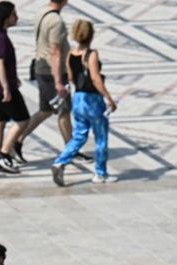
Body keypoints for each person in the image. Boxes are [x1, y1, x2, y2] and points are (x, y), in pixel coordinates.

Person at [50, 20, 119, 186]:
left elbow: (71, 77)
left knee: (79, 135)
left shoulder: (71, 54)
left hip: (78, 98)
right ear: (91, 35)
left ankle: (60, 161)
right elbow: (95, 78)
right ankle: (100, 173)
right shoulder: (91, 54)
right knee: (101, 137)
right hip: (92, 100)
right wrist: (108, 98)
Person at [17, 0, 72, 158]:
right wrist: (58, 82)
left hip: (42, 68)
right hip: (52, 72)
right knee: (64, 111)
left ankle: (17, 141)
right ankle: (71, 149)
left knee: (45, 110)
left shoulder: (42, 11)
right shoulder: (56, 21)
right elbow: (55, 51)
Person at [0, 2, 28, 174]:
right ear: (6, 17)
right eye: (13, 14)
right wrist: (6, 87)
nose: (16, 18)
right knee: (23, 120)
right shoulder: (0, 38)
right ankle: (3, 154)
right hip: (1, 88)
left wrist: (13, 77)